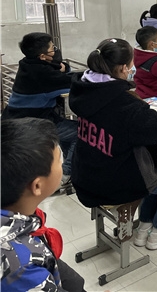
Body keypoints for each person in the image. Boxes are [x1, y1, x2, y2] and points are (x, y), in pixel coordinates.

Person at [69, 38, 157, 250]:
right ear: (123, 68)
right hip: (113, 185)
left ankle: (144, 226)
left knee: (155, 170)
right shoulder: (124, 104)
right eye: (132, 65)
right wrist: (156, 114)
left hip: (85, 176)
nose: (133, 69)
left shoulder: (84, 90)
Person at [1, 118, 85, 292]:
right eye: (59, 160)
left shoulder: (18, 209)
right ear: (37, 186)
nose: (62, 162)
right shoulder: (21, 269)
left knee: (74, 281)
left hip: (40, 255)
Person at [1, 32, 77, 187]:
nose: (55, 51)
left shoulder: (27, 64)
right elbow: (73, 82)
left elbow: (56, 68)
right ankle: (65, 175)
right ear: (42, 56)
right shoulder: (43, 76)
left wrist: (64, 67)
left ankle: (65, 168)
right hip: (27, 125)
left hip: (15, 118)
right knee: (81, 132)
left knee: (68, 132)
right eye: (52, 49)